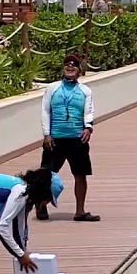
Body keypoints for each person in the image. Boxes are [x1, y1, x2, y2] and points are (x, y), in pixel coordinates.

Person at [39, 55, 99, 222]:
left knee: (80, 175)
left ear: (80, 70)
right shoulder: (52, 88)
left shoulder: (85, 91)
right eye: (67, 65)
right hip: (55, 138)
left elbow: (88, 111)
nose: (70, 68)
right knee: (47, 174)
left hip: (77, 139)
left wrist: (88, 128)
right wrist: (46, 134)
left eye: (74, 66)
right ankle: (41, 204)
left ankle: (80, 211)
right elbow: (45, 110)